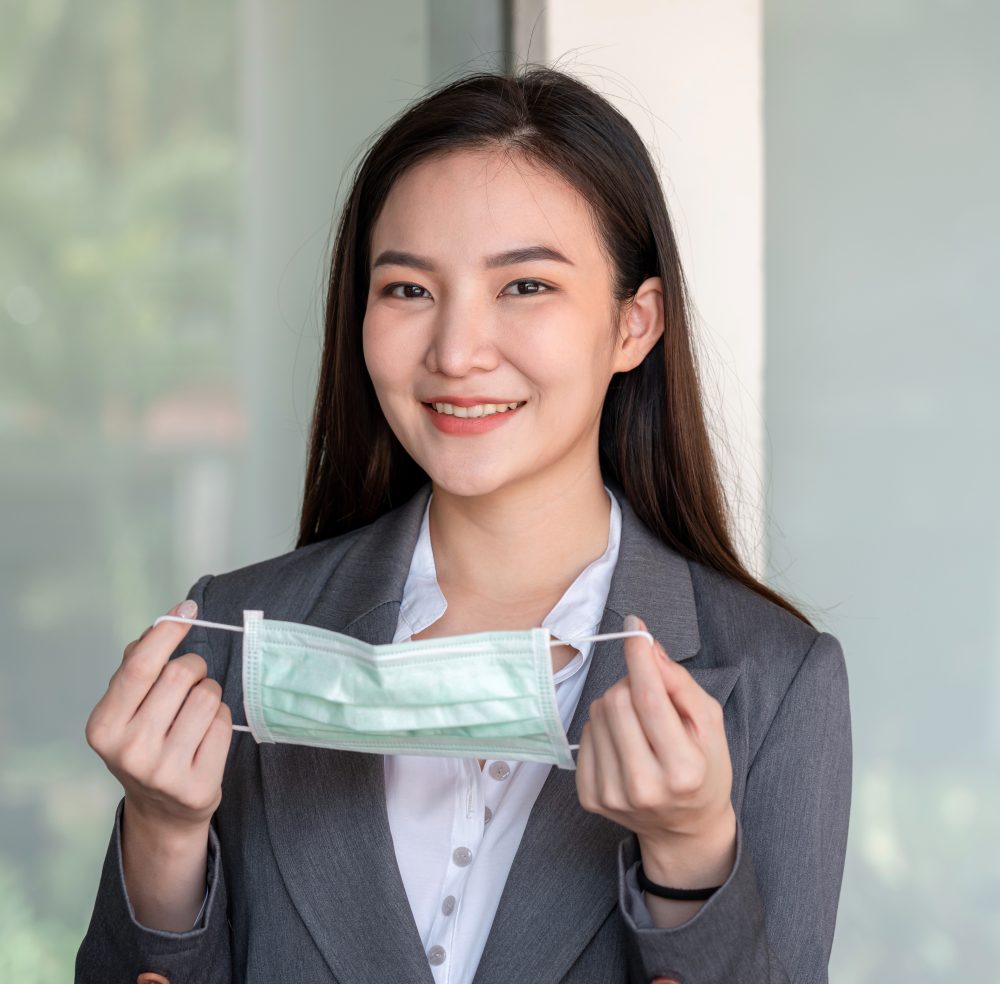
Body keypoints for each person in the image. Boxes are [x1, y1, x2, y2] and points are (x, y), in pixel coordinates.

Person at [75, 66, 852, 984]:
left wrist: (688, 859)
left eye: (525, 286)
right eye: (408, 290)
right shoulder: (241, 642)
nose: (455, 353)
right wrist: (163, 838)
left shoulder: (770, 683)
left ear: (635, 324)